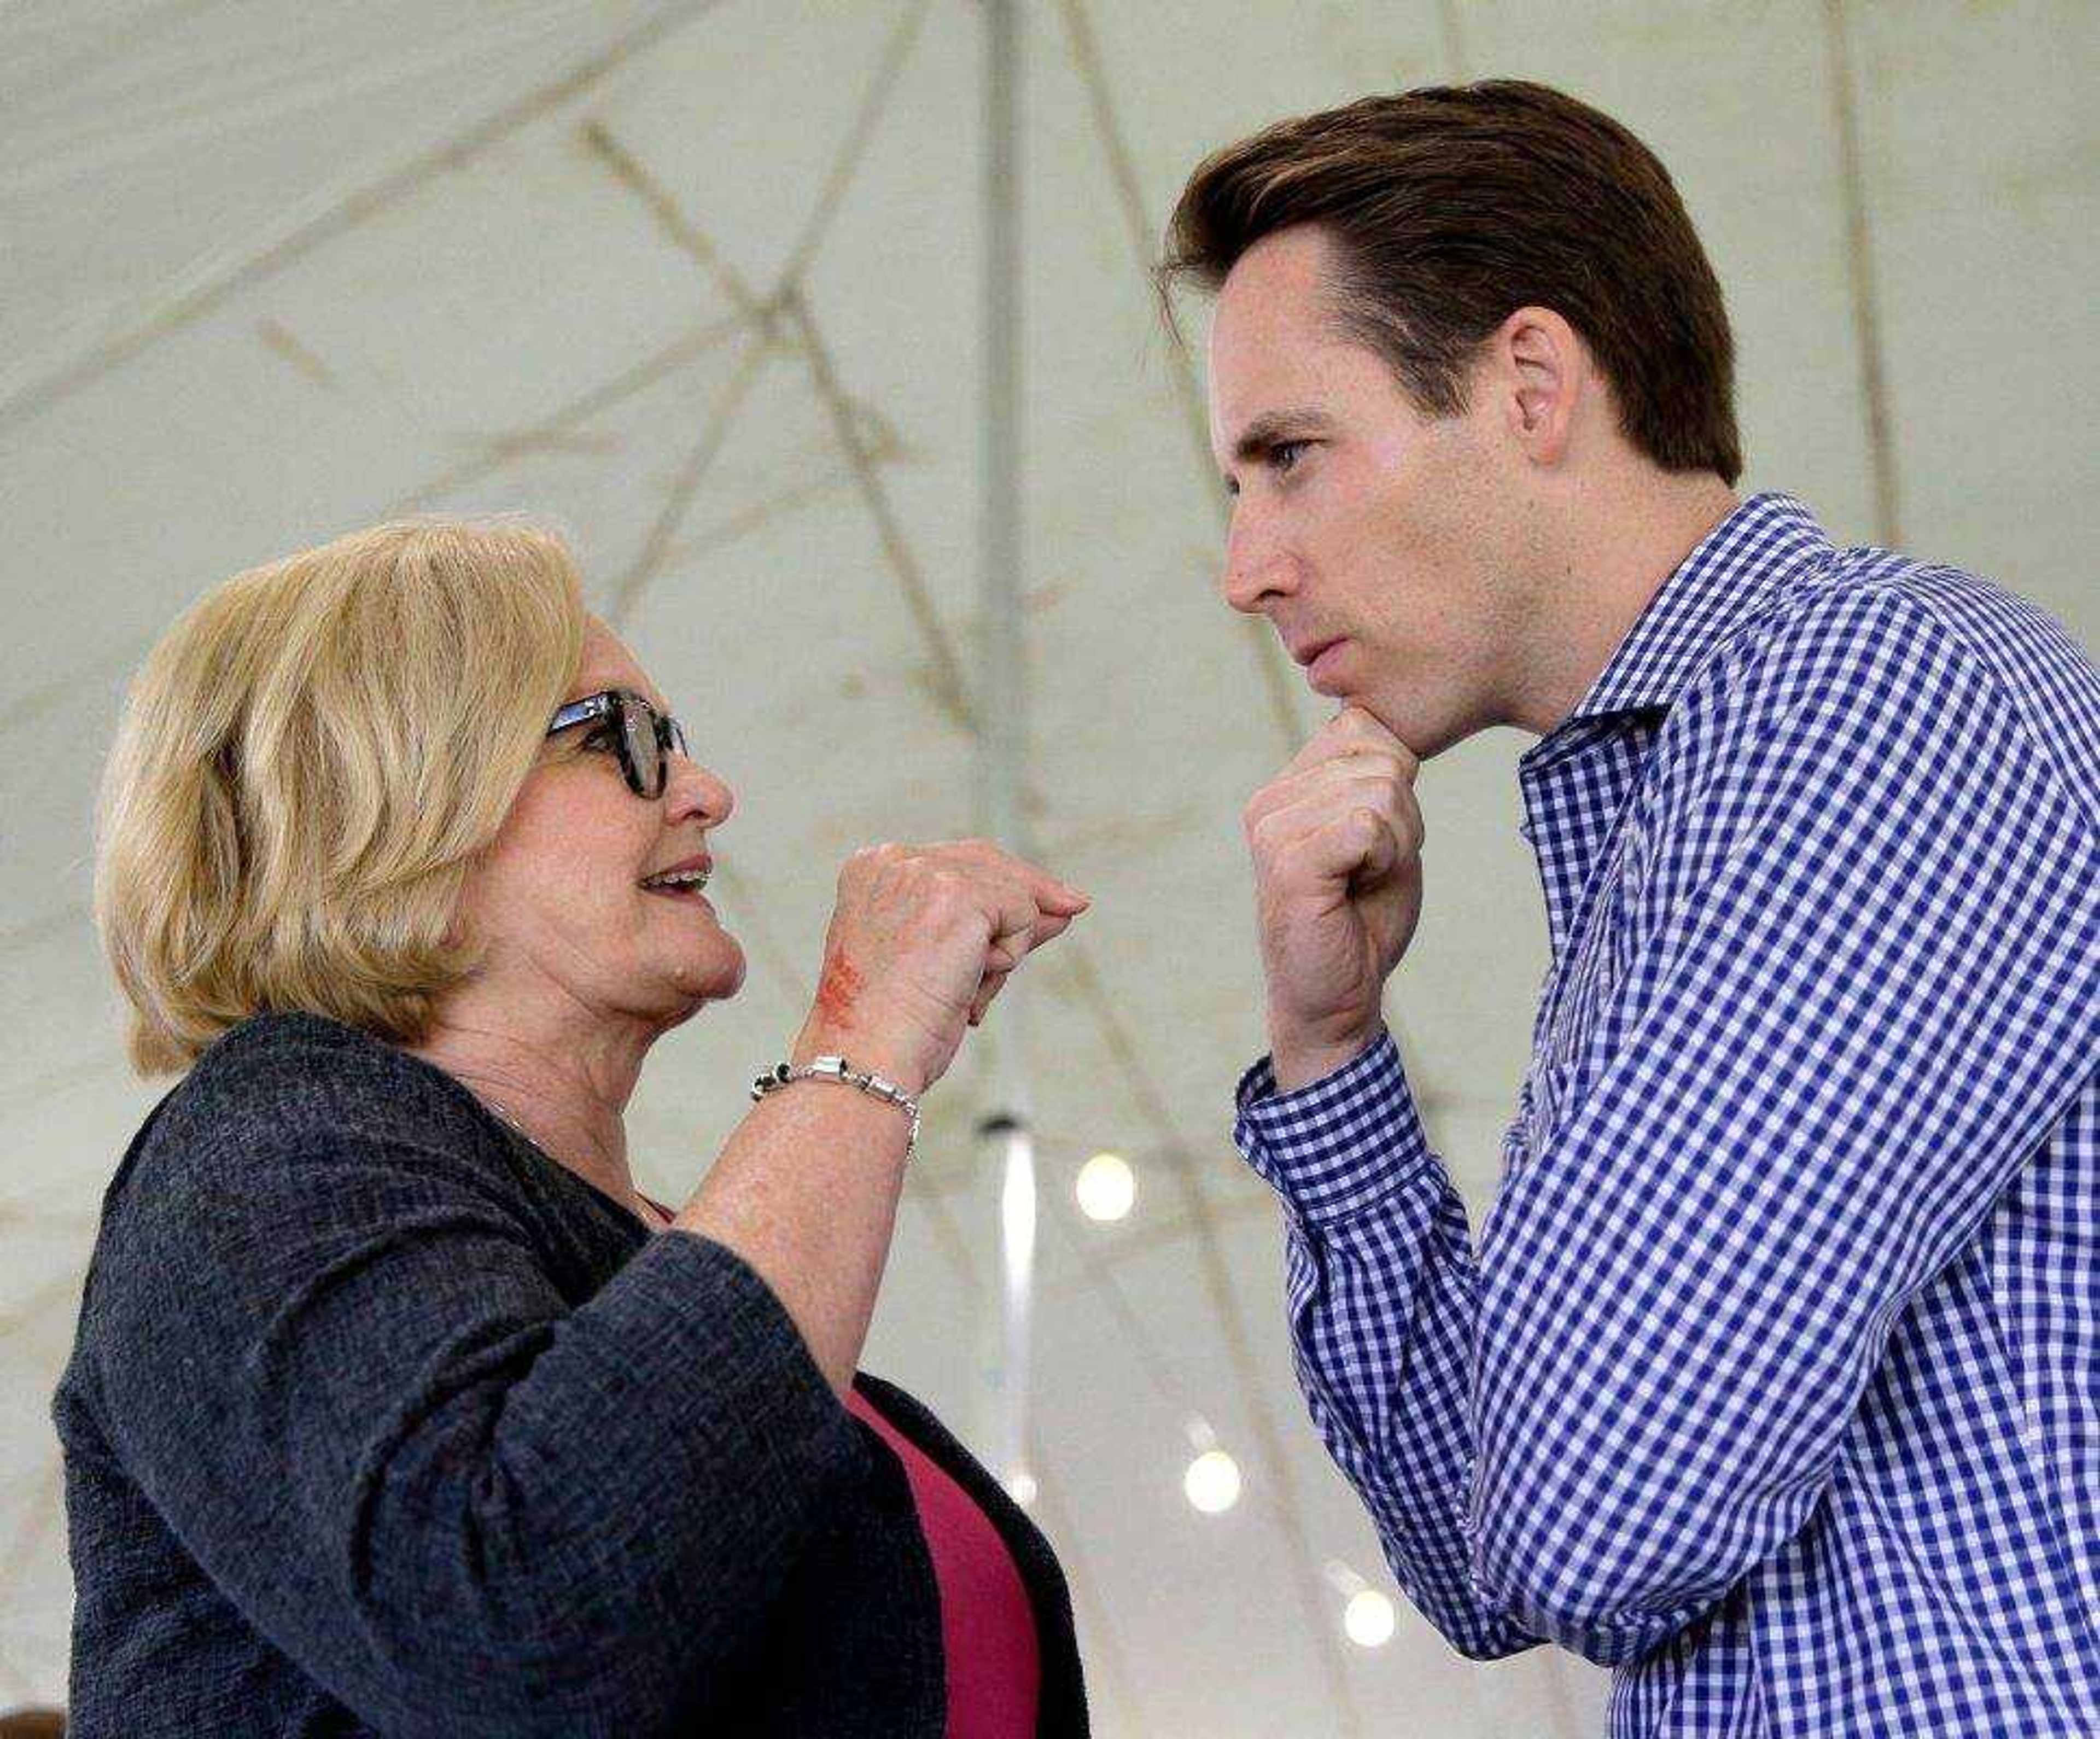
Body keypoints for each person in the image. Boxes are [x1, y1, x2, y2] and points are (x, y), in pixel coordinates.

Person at [1160, 80, 2098, 1736]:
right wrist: (1331, 1053)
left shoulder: (1862, 699)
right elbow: (1480, 1567)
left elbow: (1601, 1523)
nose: (1244, 565)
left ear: (1531, 384)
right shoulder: (1677, 807)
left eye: (1289, 455)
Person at [53, 520, 1092, 1737]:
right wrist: (862, 1046)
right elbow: (522, 1620)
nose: (706, 790)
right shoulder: (257, 1152)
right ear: (387, 792)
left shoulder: (663, 1269)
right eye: (620, 739)